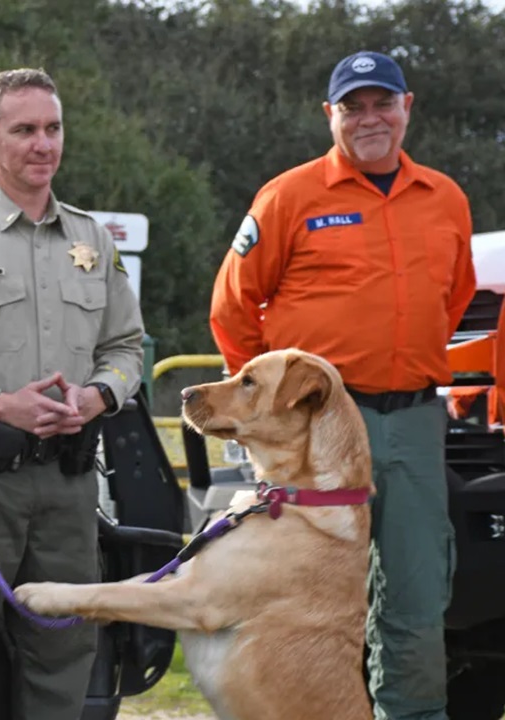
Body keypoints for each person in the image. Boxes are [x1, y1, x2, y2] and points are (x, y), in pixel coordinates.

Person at [210, 50, 477, 720]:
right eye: (352, 107)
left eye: (382, 103)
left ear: (406, 107)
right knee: (304, 603)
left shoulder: (445, 198)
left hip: (414, 421)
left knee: (417, 599)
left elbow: (453, 302)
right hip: (318, 429)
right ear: (329, 115)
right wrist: (271, 417)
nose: (369, 119)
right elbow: (232, 310)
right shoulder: (288, 196)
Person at [0, 68, 145, 720]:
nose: (43, 144)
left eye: (52, 128)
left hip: (69, 487)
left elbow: (129, 348)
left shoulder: (92, 240)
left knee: (64, 655)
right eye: (24, 130)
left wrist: (101, 395)